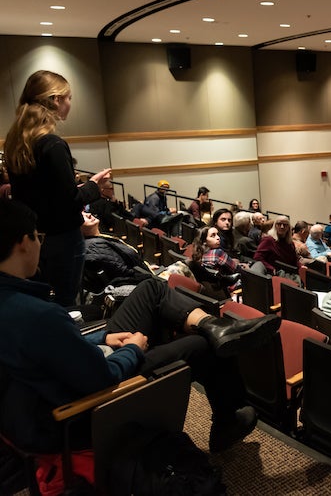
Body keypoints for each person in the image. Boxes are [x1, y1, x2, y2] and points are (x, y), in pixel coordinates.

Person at [0, 199, 281, 459]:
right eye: (39, 237)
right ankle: (227, 417)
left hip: (61, 382)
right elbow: (102, 378)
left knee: (151, 289)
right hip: (79, 414)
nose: (41, 244)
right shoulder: (38, 316)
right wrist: (133, 350)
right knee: (200, 346)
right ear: (24, 242)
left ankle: (216, 325)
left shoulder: (18, 306)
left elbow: (57, 347)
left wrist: (103, 336)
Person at [3, 70, 113, 308]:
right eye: (68, 97)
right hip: (62, 239)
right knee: (66, 305)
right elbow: (69, 201)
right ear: (55, 100)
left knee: (40, 302)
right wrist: (95, 186)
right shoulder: (52, 144)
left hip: (33, 237)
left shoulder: (16, 141)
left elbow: (44, 194)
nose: (70, 103)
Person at [81, 211, 153, 293]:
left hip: (145, 276)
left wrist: (144, 266)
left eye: (85, 212)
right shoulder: (95, 247)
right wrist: (148, 274)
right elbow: (126, 275)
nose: (89, 214)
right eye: (81, 215)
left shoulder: (99, 239)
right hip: (146, 287)